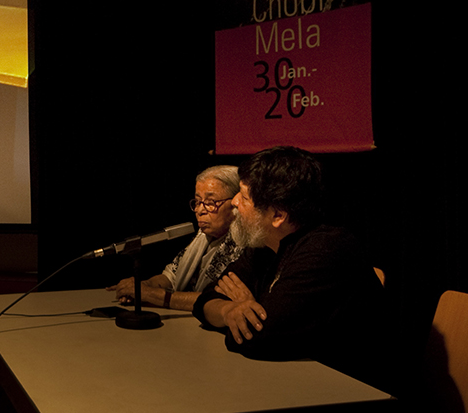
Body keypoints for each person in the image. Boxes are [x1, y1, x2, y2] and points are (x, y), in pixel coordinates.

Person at [193, 146, 398, 394]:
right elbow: (205, 299)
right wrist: (229, 311)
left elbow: (257, 338)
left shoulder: (326, 250)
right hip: (301, 387)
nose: (235, 202)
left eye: (245, 198)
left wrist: (252, 307)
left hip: (355, 404)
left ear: (278, 215)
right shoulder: (264, 244)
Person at [108, 166, 244, 311]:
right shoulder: (203, 236)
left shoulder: (244, 244)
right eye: (197, 202)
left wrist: (151, 294)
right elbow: (171, 277)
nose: (199, 210)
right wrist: (141, 287)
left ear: (236, 203)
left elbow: (216, 298)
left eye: (210, 203)